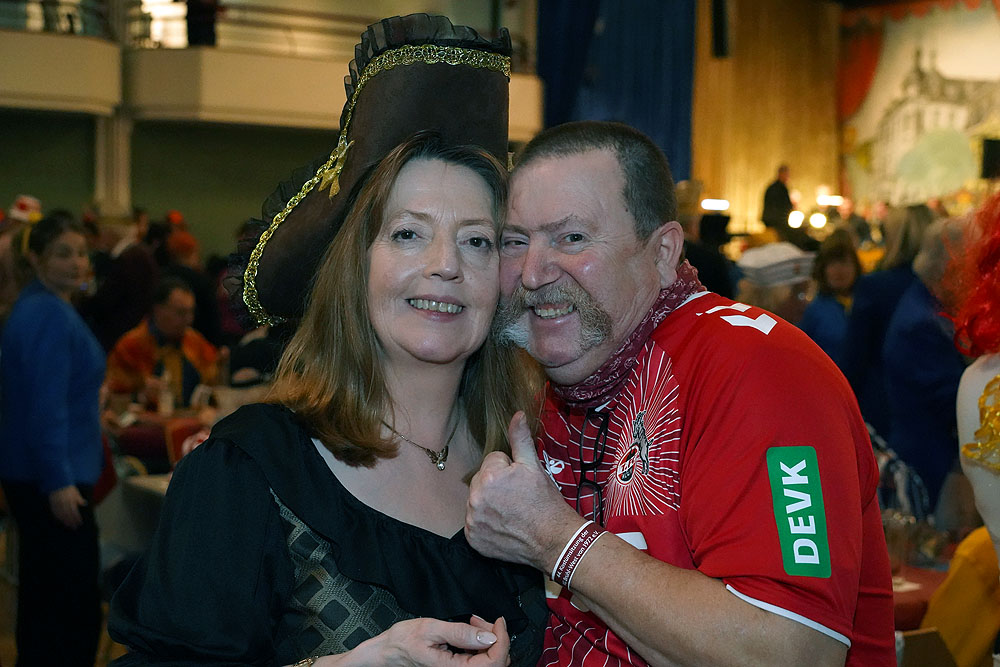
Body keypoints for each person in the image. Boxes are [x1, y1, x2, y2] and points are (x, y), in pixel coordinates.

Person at [108, 15, 545, 666]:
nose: (445, 265)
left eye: (477, 240)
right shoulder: (248, 471)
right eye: (407, 234)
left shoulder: (529, 465)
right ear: (354, 266)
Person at [464, 120, 895, 665]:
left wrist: (557, 540)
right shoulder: (561, 377)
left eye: (572, 238)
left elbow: (792, 651)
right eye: (516, 241)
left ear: (663, 252)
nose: (532, 273)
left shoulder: (760, 369)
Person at [0, 213, 105, 666]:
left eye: (81, 253)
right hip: (53, 478)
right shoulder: (47, 314)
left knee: (45, 598)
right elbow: (46, 407)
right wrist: (58, 482)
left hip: (37, 473)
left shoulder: (38, 306)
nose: (76, 263)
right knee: (69, 607)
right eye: (63, 253)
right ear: (37, 258)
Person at [883, 216, 969, 510]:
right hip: (930, 459)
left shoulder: (925, 303)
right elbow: (950, 398)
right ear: (950, 267)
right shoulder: (921, 322)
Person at [841, 203, 933, 439]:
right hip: (933, 405)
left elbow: (855, 357)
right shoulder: (940, 286)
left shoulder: (874, 287)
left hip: (884, 406)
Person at [799, 229, 862, 370]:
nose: (839, 270)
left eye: (845, 263)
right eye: (832, 264)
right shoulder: (814, 310)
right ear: (823, 269)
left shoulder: (866, 304)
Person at [761, 164, 793, 231]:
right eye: (786, 175)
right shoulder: (778, 188)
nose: (788, 177)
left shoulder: (775, 187)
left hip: (773, 220)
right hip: (776, 221)